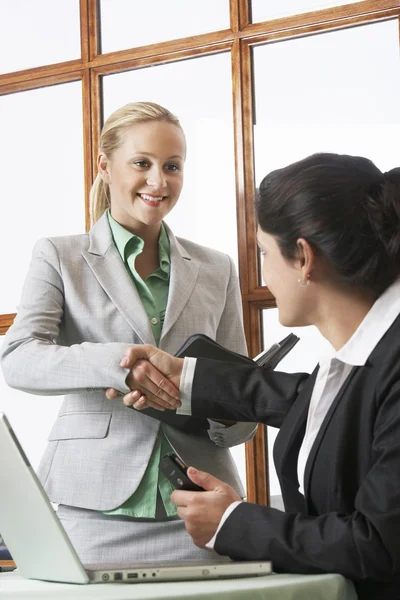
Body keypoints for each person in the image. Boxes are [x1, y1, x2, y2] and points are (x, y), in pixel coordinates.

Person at [109, 153, 400, 600]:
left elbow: (378, 545)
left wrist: (233, 523)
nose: (262, 276)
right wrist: (186, 376)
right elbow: (324, 402)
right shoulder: (367, 357)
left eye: (263, 252)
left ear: (303, 258)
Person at [0, 101, 256, 564]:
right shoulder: (59, 256)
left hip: (202, 512)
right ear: (105, 165)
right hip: (92, 512)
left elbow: (242, 405)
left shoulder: (217, 268)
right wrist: (122, 366)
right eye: (142, 163)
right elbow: (18, 359)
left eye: (172, 166)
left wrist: (217, 408)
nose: (159, 181)